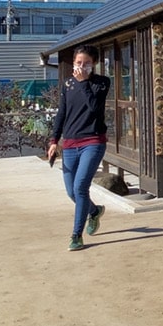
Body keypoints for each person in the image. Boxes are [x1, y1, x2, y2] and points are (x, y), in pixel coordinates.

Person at [47, 45, 110, 251]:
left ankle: (76, 235)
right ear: (73, 63)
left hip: (93, 141)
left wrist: (83, 82)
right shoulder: (67, 84)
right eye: (78, 63)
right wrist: (54, 140)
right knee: (71, 192)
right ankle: (93, 212)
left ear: (94, 64)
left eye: (86, 63)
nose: (82, 67)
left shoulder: (101, 83)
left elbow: (94, 108)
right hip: (70, 143)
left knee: (80, 188)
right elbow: (61, 113)